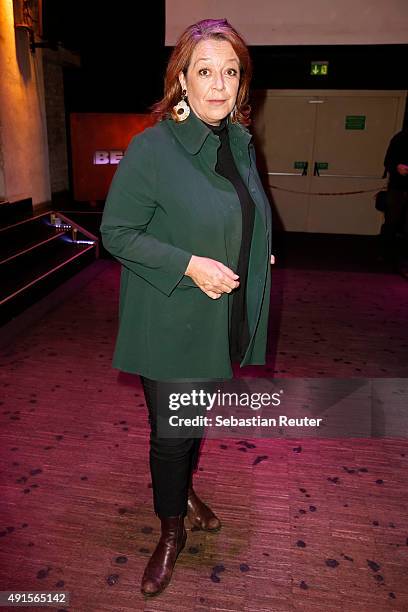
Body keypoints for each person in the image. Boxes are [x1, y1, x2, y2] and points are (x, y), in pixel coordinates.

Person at [100, 18, 274, 597]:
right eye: (205, 71)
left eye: (231, 72)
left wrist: (256, 254)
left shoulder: (241, 144)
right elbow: (117, 233)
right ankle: (171, 529)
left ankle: (185, 493)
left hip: (221, 316)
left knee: (188, 419)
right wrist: (188, 264)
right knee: (172, 433)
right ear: (182, 79)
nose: (219, 85)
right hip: (172, 317)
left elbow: (242, 215)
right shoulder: (153, 147)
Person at [380, 129, 408, 274]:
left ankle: (403, 260)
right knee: (392, 221)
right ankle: (386, 254)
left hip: (399, 187)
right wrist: (397, 167)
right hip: (398, 187)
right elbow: (388, 161)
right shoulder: (401, 138)